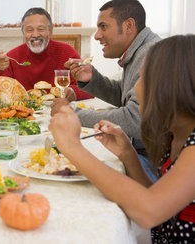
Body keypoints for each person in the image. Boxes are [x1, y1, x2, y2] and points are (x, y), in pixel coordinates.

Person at [49, 34, 195, 243]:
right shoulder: (174, 135)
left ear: (171, 86)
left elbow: (149, 210)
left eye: (143, 78)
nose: (135, 88)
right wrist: (128, 154)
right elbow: (156, 196)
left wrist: (72, 146)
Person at [53, 0, 161, 160]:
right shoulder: (140, 51)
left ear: (128, 26)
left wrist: (73, 114)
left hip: (151, 161)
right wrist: (92, 79)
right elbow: (125, 96)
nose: (96, 36)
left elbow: (134, 119)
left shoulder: (150, 55)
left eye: (103, 27)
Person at [0, 7, 93, 101]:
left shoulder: (67, 52)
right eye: (29, 30)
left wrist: (73, 92)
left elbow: (90, 88)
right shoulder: (14, 57)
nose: (35, 35)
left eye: (41, 29)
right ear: (23, 33)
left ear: (50, 31)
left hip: (59, 112)